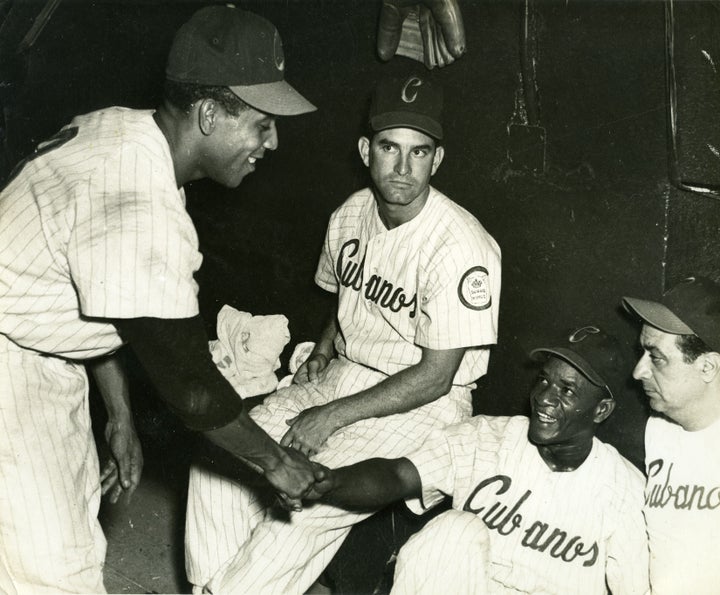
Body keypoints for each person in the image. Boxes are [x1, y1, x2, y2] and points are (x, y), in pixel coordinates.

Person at [0, 6, 318, 594]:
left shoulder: (122, 128)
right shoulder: (140, 205)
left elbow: (103, 302)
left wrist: (119, 414)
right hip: (13, 366)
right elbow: (192, 389)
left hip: (38, 353)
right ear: (207, 114)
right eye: (261, 123)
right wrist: (276, 462)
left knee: (61, 544)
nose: (271, 141)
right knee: (54, 575)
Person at [184, 72, 502, 594]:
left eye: (419, 152)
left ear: (437, 160)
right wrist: (327, 345)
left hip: (424, 402)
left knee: (313, 495)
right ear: (365, 149)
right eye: (389, 148)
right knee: (222, 460)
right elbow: (346, 295)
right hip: (345, 377)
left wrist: (328, 416)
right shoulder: (349, 214)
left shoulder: (463, 247)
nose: (402, 167)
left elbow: (436, 376)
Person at [306, 326, 650, 595]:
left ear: (601, 410)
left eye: (566, 390)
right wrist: (328, 482)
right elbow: (398, 475)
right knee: (453, 529)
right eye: (543, 380)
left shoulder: (625, 491)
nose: (545, 397)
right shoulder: (487, 438)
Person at [623, 275, 720, 595]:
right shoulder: (659, 430)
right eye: (642, 353)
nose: (638, 372)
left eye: (657, 357)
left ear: (708, 367)